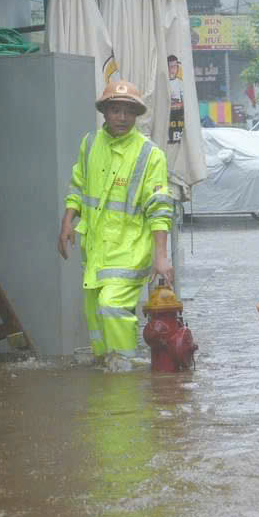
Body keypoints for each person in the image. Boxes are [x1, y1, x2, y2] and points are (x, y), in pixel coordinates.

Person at [58, 80, 175, 370]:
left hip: (130, 248)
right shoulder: (90, 144)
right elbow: (77, 186)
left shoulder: (150, 155)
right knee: (95, 314)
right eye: (115, 110)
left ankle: (125, 369)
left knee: (111, 305)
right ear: (105, 113)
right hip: (96, 249)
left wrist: (161, 257)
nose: (122, 118)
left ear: (136, 115)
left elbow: (160, 208)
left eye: (128, 111)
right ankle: (104, 372)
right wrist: (67, 223)